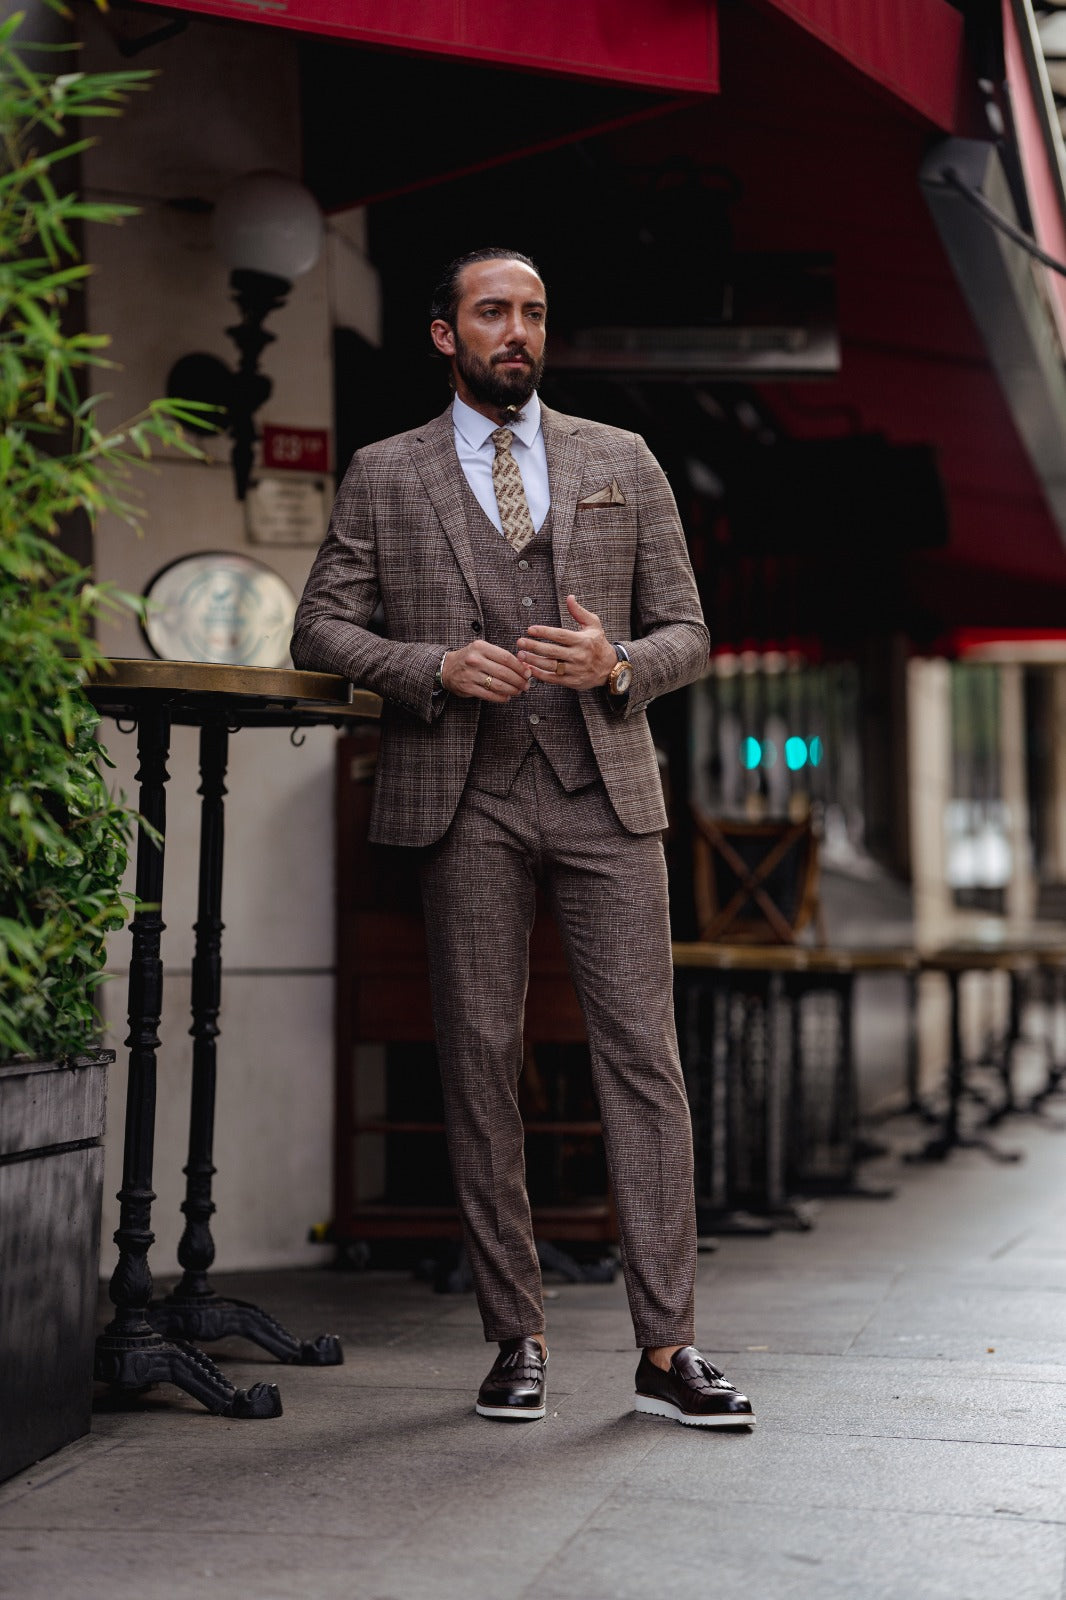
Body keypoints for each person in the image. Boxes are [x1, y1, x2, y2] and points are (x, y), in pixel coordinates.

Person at [291, 247, 755, 1431]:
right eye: (493, 312)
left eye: (534, 313)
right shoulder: (384, 471)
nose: (517, 331)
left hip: (604, 788)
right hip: (466, 793)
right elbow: (319, 628)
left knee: (640, 1060)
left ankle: (667, 1348)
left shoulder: (622, 458)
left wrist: (619, 665)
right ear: (444, 334)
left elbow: (690, 631)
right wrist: (429, 667)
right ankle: (516, 1337)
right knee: (478, 1059)